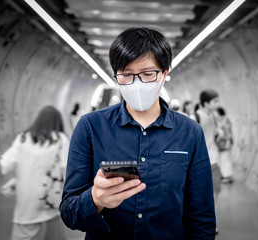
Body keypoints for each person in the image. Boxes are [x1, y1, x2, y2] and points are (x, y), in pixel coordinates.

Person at [60, 27, 216, 239]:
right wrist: (95, 199)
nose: (137, 83)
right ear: (116, 76)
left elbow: (201, 217)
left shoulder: (190, 133)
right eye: (126, 75)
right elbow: (69, 213)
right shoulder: (90, 127)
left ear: (164, 74)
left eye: (148, 74)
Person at [0, 106, 69, 240]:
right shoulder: (60, 139)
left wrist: (19, 179)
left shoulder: (23, 138)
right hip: (50, 198)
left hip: (27, 203)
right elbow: (65, 169)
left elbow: (5, 165)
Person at [195, 89, 221, 234]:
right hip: (201, 161)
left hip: (214, 159)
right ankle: (203, 222)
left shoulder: (214, 116)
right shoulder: (196, 117)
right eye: (215, 101)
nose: (218, 104)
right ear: (206, 103)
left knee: (215, 192)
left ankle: (211, 220)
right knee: (202, 194)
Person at [214, 107, 234, 184]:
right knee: (223, 160)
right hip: (222, 143)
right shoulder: (221, 120)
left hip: (225, 143)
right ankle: (224, 175)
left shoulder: (225, 121)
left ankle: (227, 176)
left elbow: (227, 133)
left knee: (225, 160)